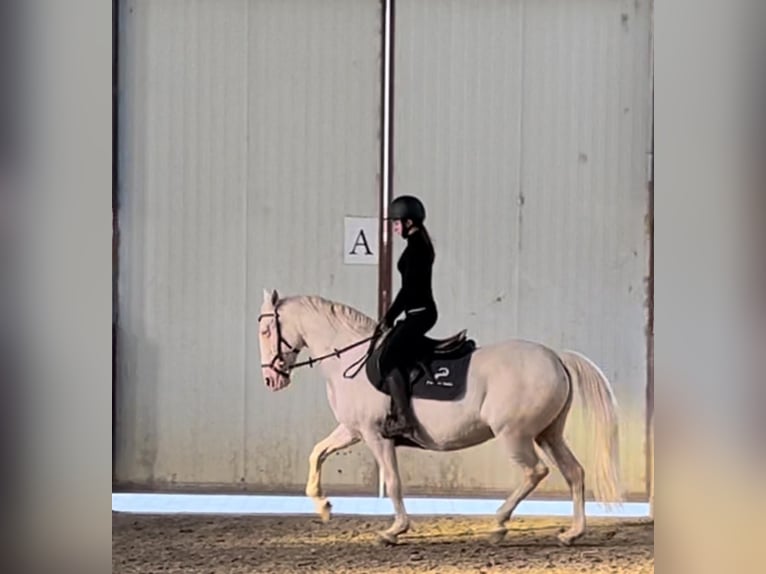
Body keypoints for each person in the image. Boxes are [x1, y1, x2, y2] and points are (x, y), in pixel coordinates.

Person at [378, 195, 438, 438]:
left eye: (396, 222)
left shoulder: (417, 249)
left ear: (409, 222)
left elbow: (408, 290)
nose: (394, 226)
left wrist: (389, 317)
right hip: (416, 313)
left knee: (388, 359)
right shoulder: (416, 245)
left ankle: (404, 418)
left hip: (420, 314)